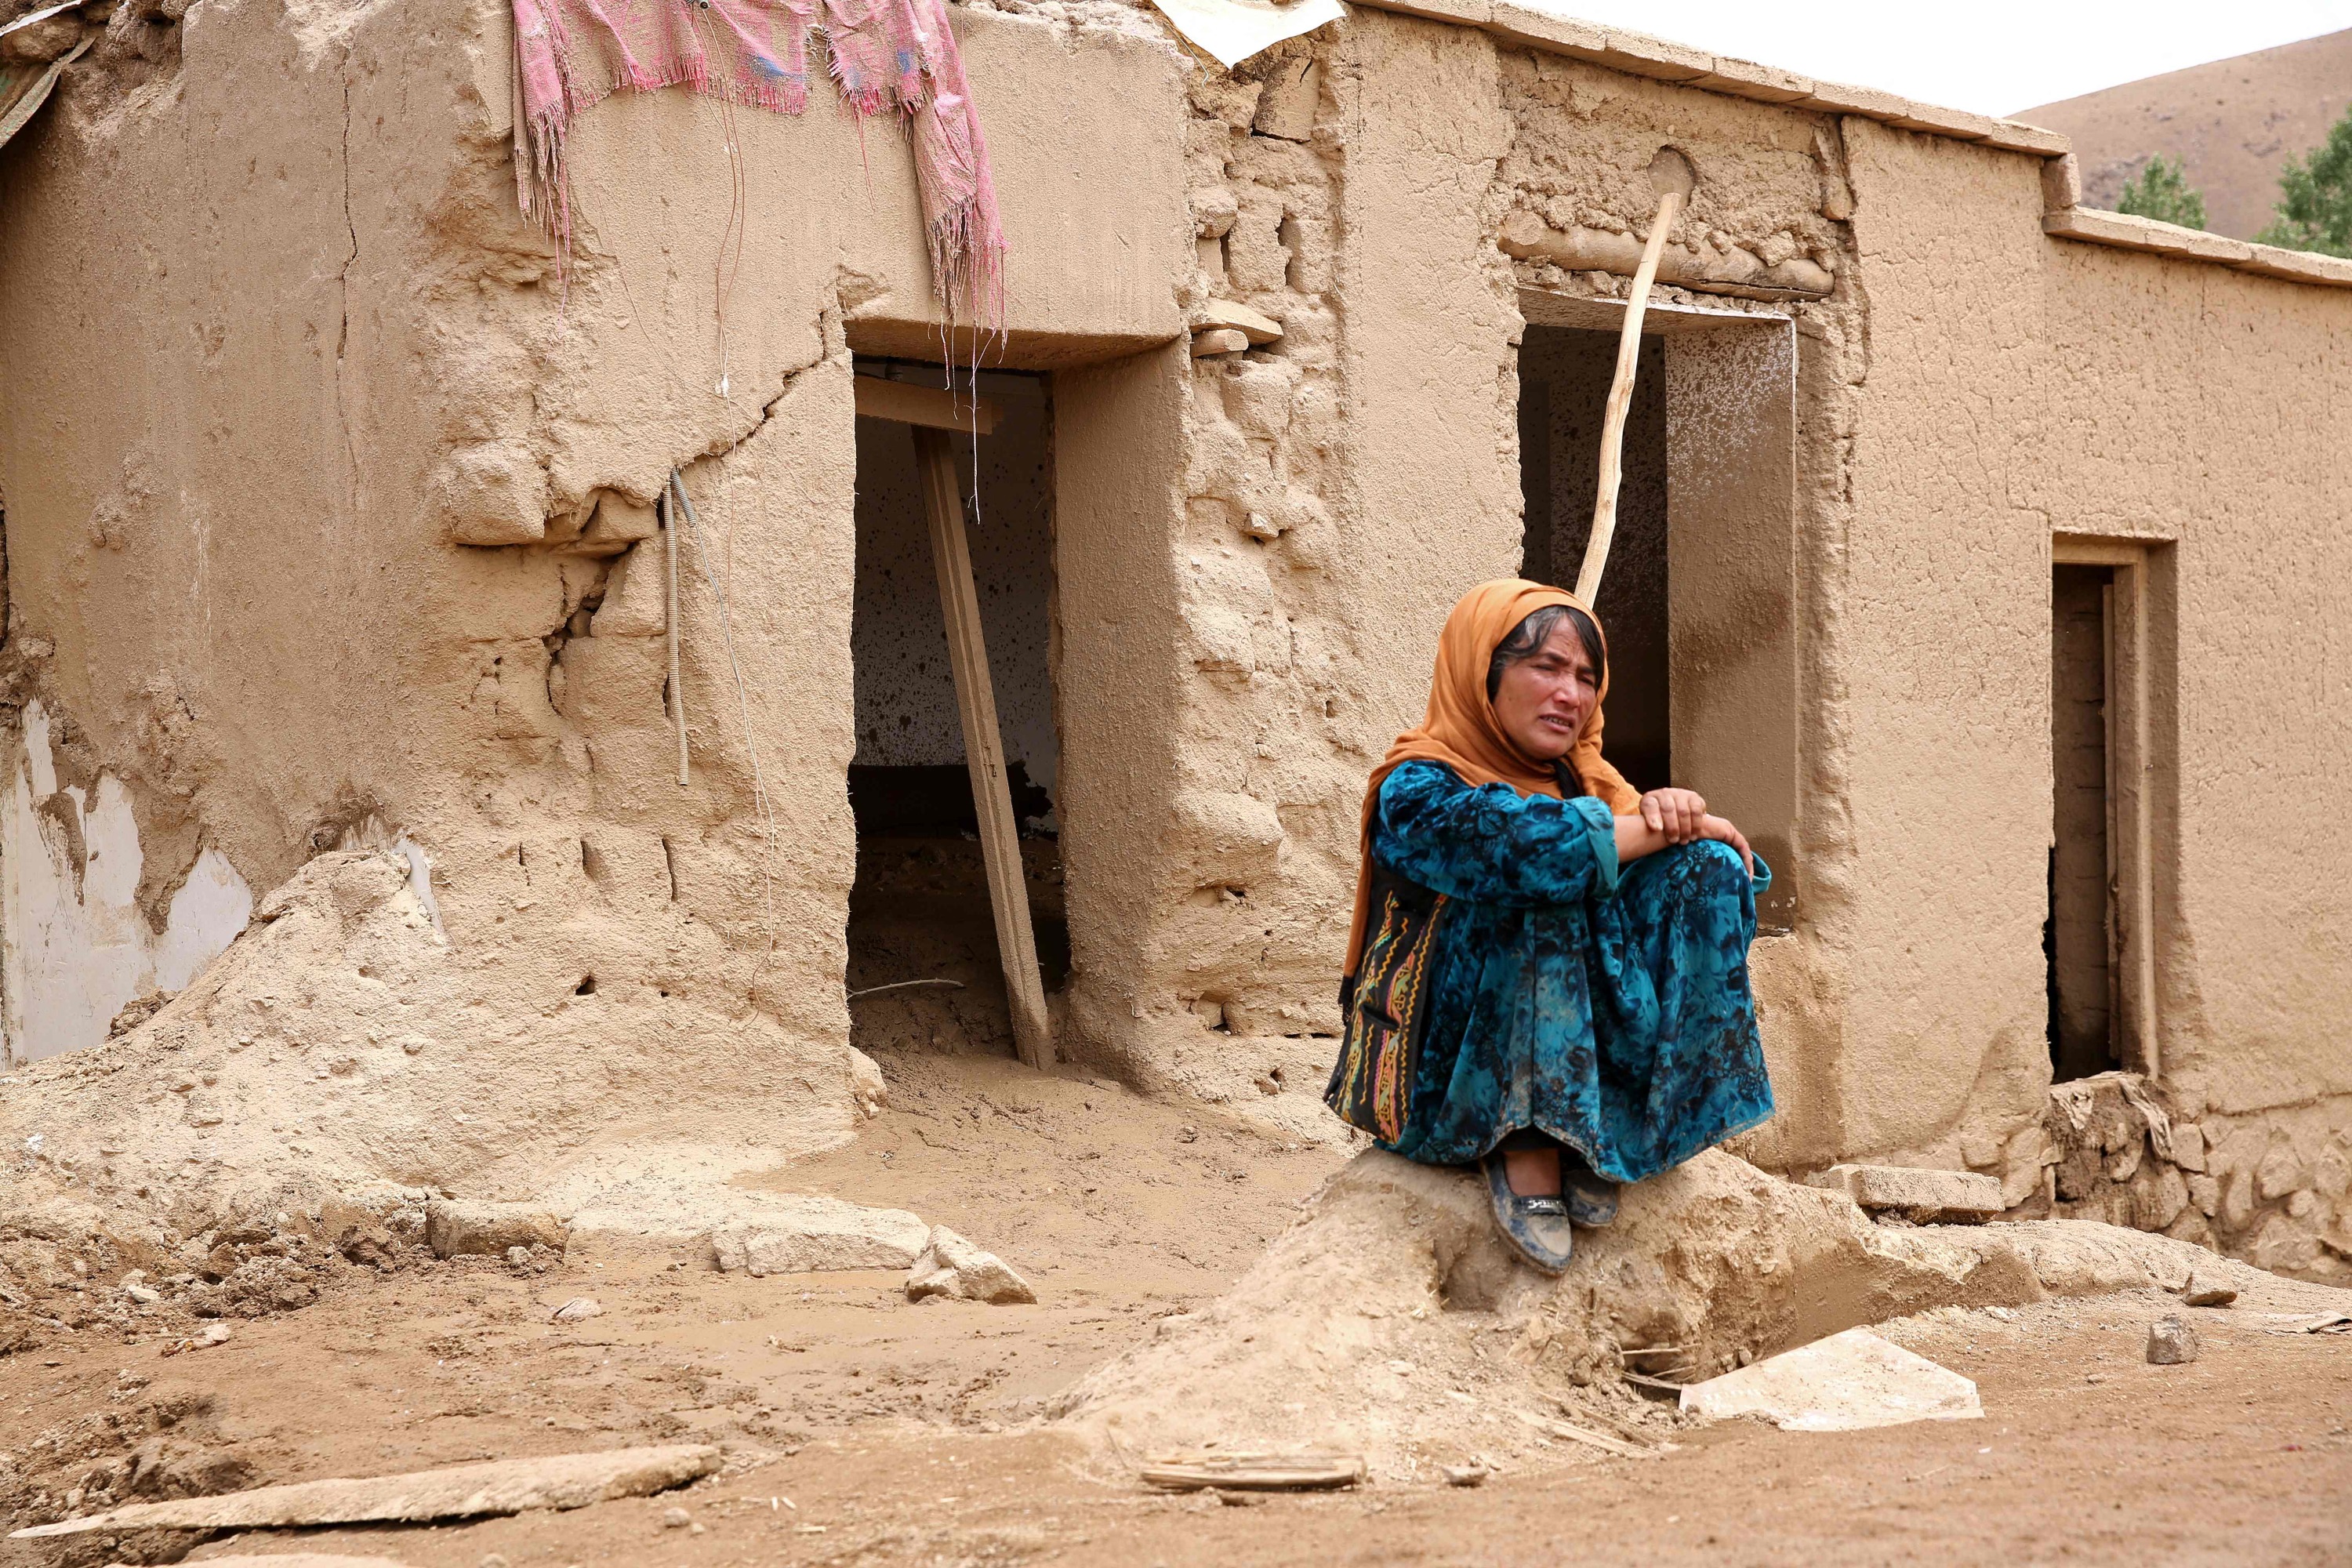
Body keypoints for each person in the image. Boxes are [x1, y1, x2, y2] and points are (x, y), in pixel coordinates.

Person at [1326, 579, 1774, 1273]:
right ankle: (1528, 1144)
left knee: (1707, 866)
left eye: (1587, 677)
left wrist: (1674, 823)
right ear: (1484, 673)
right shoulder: (1414, 787)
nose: (1571, 694)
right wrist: (1639, 830)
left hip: (1568, 1054)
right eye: (1546, 667)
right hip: (1437, 1077)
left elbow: (1719, 887)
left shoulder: (1587, 786)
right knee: (1547, 881)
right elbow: (1527, 851)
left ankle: (1611, 1124)